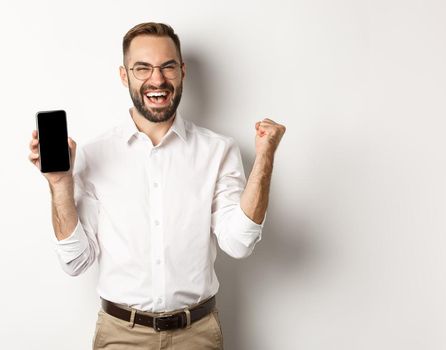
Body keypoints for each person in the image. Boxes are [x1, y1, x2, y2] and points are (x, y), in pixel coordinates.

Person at [27, 22, 285, 349]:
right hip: (121, 336)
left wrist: (265, 158)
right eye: (142, 68)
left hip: (197, 335)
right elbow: (76, 261)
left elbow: (239, 243)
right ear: (124, 76)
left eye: (167, 67)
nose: (157, 79)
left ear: (182, 71)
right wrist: (60, 183)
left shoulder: (218, 151)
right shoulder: (94, 155)